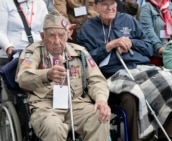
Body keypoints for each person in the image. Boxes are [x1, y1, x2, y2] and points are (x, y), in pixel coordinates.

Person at [77, 0, 172, 140]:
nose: (110, 7)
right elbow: (84, 61)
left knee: (169, 83)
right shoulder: (88, 28)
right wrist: (109, 46)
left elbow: (149, 47)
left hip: (140, 68)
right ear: (96, 7)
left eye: (112, 3)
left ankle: (168, 136)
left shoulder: (128, 20)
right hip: (113, 73)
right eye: (105, 4)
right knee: (130, 96)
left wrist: (132, 42)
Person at [15, 9, 111, 141]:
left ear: (68, 34)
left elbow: (97, 80)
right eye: (51, 36)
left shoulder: (80, 52)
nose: (57, 41)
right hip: (46, 107)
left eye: (61, 35)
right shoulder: (33, 52)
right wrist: (47, 75)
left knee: (100, 116)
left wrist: (101, 99)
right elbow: (23, 78)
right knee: (52, 127)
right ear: (43, 37)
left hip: (77, 103)